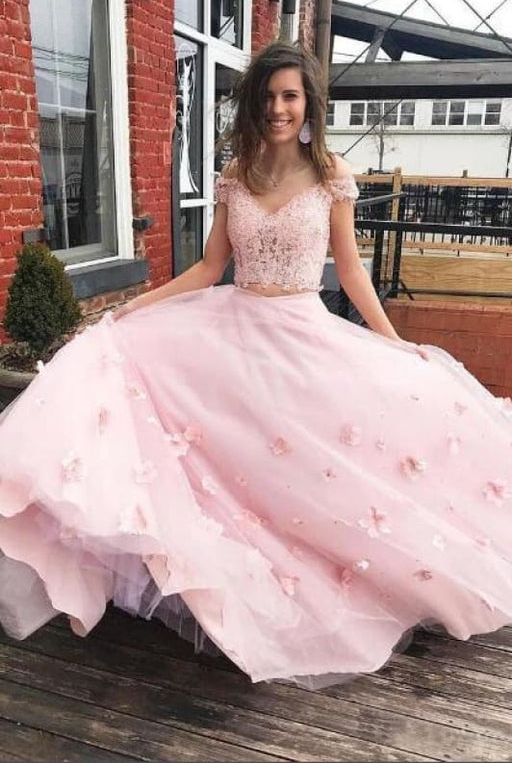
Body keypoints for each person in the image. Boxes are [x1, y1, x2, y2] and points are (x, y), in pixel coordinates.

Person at [1, 41, 512, 689]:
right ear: (253, 104)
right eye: (268, 96)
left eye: (290, 96)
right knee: (203, 438)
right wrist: (131, 307)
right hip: (232, 332)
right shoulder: (236, 173)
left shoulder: (331, 175)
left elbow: (351, 270)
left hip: (302, 334)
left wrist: (393, 342)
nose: (278, 108)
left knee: (311, 464)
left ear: (308, 104)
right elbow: (209, 267)